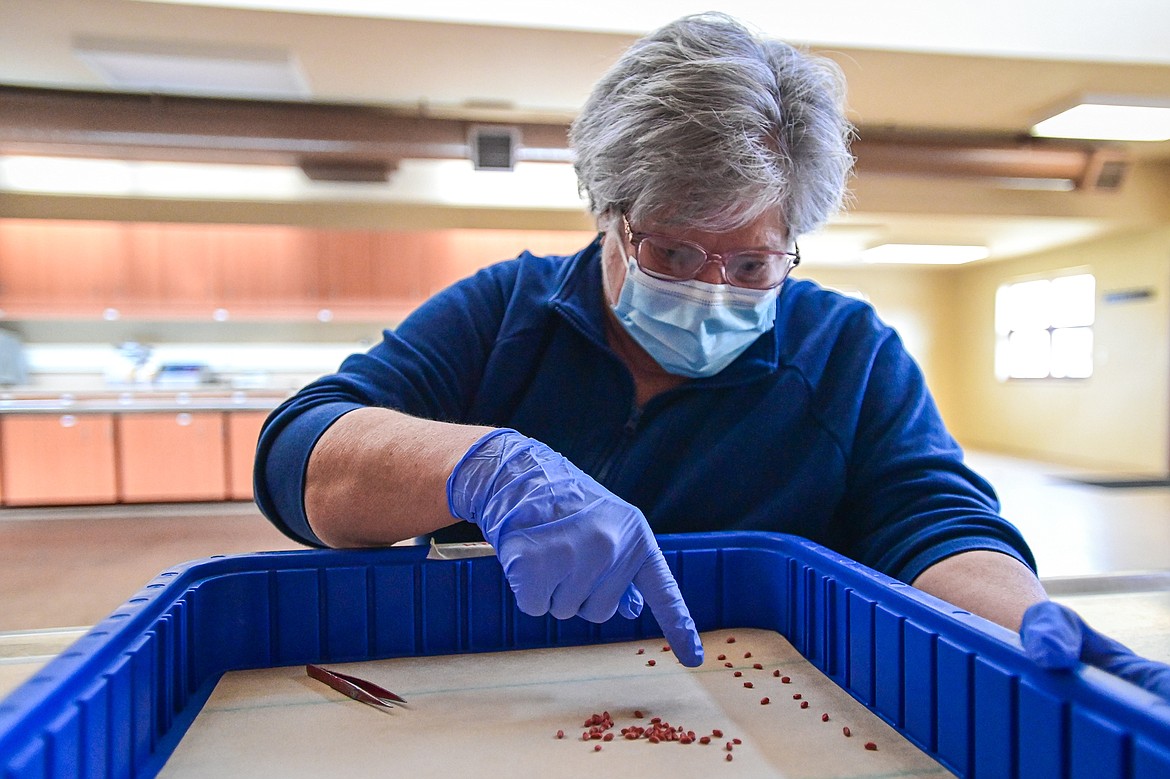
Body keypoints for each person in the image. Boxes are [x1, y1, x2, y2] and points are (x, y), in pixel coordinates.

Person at [255, 12, 1168, 695]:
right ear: (608, 216)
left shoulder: (846, 353)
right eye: (675, 251)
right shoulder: (505, 312)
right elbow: (301, 455)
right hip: (492, 693)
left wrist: (1024, 619)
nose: (713, 286)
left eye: (753, 261)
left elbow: (930, 521)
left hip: (749, 704)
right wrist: (481, 467)